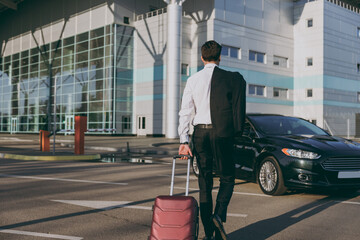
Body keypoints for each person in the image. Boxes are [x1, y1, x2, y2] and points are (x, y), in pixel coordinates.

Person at [178, 40, 246, 240]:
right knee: (227, 177)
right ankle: (219, 214)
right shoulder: (232, 78)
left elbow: (185, 111)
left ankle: (209, 234)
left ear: (201, 58)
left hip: (200, 134)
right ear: (219, 58)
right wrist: (236, 133)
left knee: (204, 182)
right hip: (222, 133)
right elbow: (237, 111)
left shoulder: (193, 79)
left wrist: (184, 140)